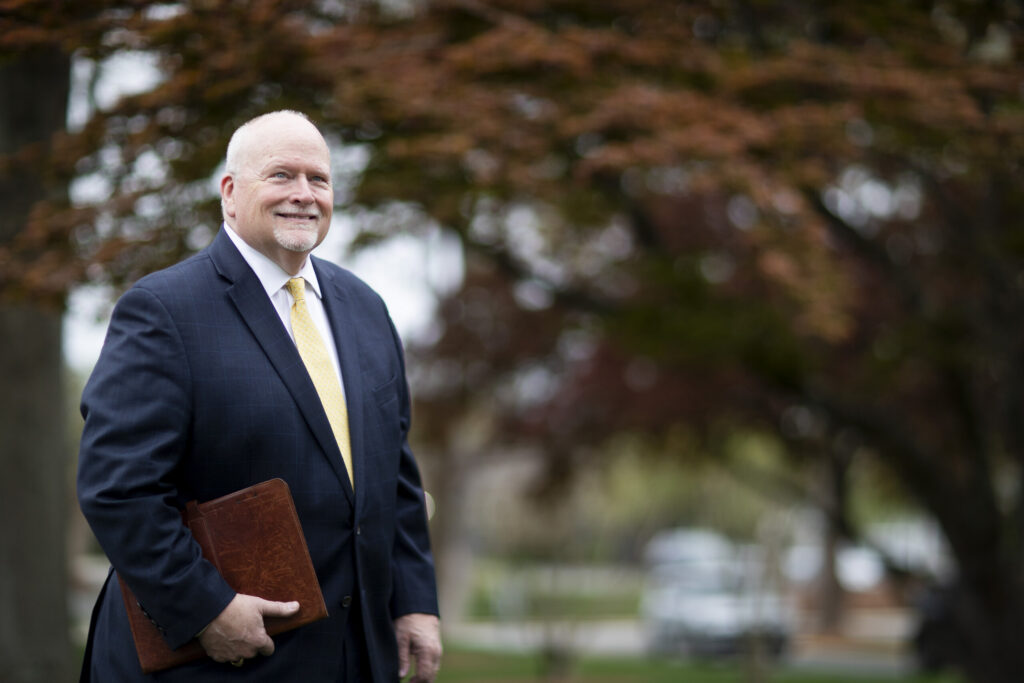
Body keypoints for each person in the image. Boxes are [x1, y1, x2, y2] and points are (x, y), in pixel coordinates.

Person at [77, 110, 442, 682]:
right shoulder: (164, 311)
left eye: (318, 180)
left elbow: (392, 473)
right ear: (229, 193)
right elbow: (118, 489)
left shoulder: (367, 309)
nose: (303, 194)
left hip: (352, 655)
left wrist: (415, 600)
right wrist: (205, 609)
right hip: (216, 659)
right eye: (281, 175)